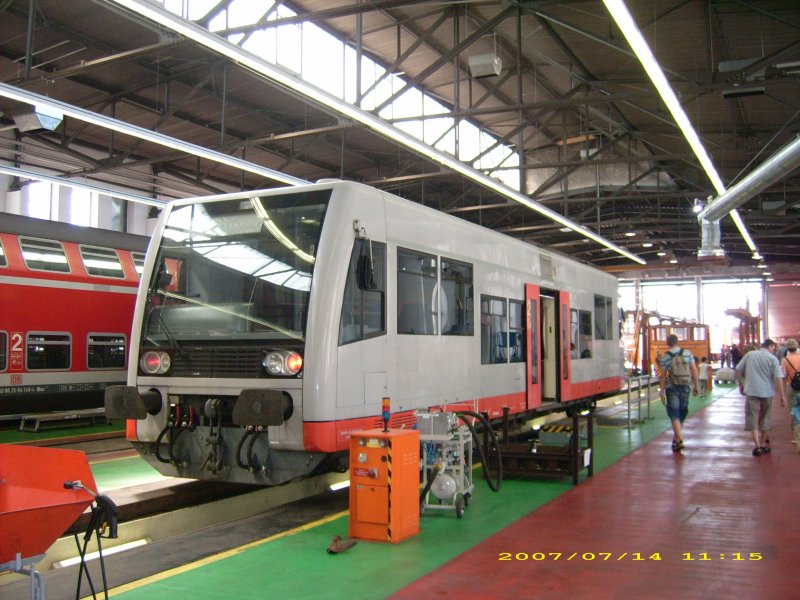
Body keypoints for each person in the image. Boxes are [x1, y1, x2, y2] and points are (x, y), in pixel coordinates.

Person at [735, 338, 786, 456]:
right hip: (767, 392)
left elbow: (738, 370)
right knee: (766, 416)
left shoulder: (749, 355)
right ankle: (763, 444)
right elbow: (778, 378)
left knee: (752, 416)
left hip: (751, 391)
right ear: (770, 346)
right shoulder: (773, 359)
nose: (774, 350)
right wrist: (782, 395)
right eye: (774, 348)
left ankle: (757, 446)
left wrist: (741, 384)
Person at [658, 334, 700, 452]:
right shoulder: (687, 353)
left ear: (667, 343)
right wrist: (696, 385)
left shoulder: (666, 356)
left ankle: (679, 439)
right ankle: (677, 439)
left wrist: (661, 391)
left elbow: (663, 376)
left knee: (674, 413)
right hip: (685, 386)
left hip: (672, 387)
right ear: (677, 342)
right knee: (682, 412)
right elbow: (694, 370)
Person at [781, 339, 800, 422]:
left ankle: (795, 423)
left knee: (792, 405)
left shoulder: (785, 360)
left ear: (787, 348)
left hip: (791, 384)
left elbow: (783, 374)